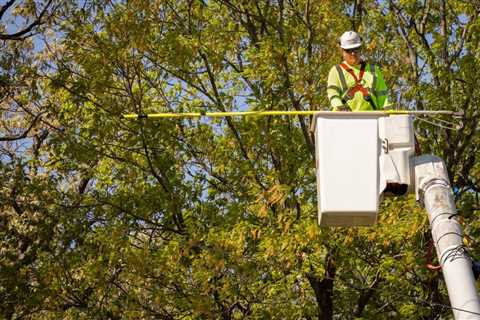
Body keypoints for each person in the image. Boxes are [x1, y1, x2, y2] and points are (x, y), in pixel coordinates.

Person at [327, 31, 391, 111]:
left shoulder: (374, 70)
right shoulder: (336, 71)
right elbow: (333, 94)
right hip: (343, 120)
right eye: (349, 50)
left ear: (360, 48)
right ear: (342, 51)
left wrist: (389, 114)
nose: (353, 53)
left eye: (356, 49)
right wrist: (340, 108)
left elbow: (383, 98)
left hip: (371, 120)